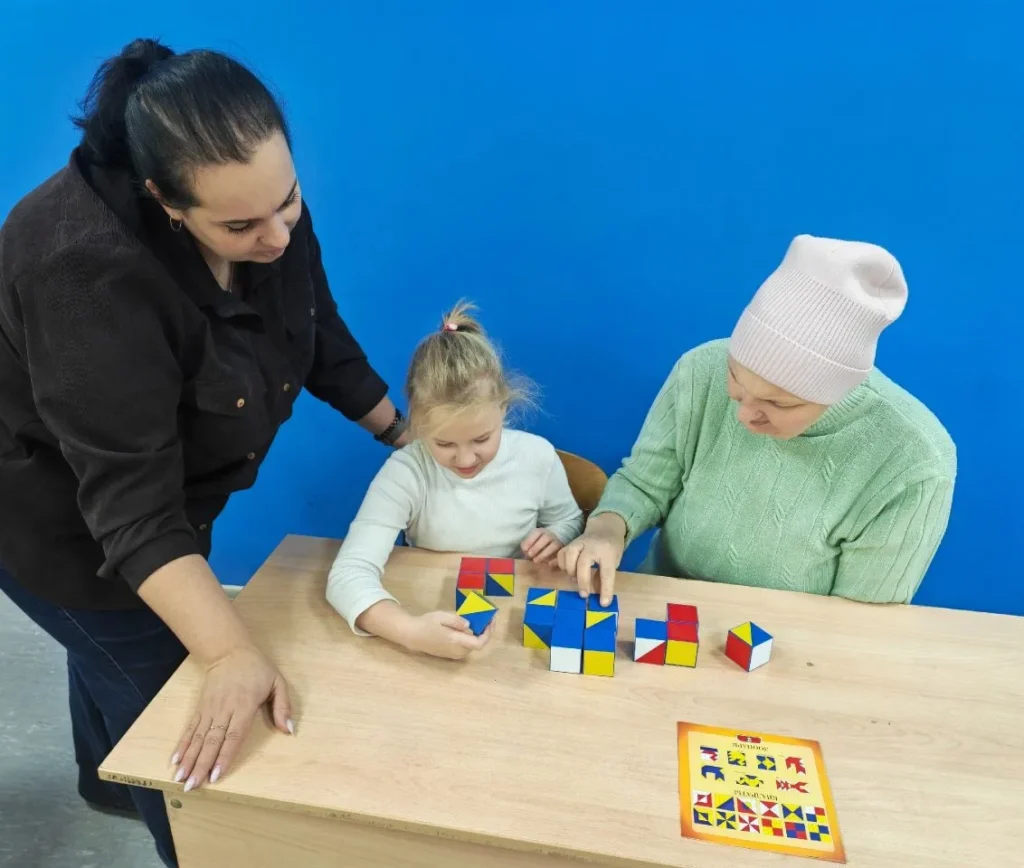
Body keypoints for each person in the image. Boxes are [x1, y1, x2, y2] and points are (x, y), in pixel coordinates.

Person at [0, 39, 409, 867]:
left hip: (154, 503)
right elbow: (133, 513)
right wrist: (227, 652)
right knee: (178, 708)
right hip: (53, 518)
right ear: (165, 200)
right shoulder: (81, 272)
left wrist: (403, 435)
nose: (278, 236)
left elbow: (315, 331)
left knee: (134, 661)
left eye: (289, 203)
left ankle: (105, 781)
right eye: (242, 227)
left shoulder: (258, 203)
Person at [559, 234, 957, 608]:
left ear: (836, 392)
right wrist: (606, 530)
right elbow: (645, 483)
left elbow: (859, 623)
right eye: (735, 380)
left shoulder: (914, 463)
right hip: (664, 613)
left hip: (795, 642)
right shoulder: (701, 369)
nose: (744, 415)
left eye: (777, 403)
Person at [326, 302, 584, 658]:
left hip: (515, 621)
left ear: (504, 409)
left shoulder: (537, 456)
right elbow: (347, 575)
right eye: (444, 444)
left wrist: (558, 536)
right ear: (418, 424)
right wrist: (409, 632)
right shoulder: (406, 472)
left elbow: (570, 519)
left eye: (482, 439)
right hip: (431, 606)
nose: (465, 460)